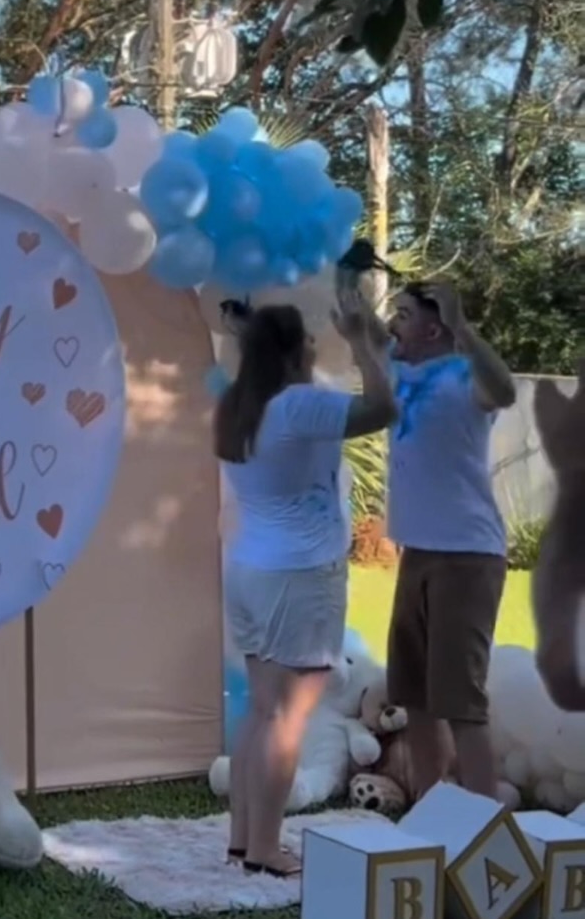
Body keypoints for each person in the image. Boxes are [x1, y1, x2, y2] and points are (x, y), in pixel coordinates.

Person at [217, 295, 396, 879]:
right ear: (295, 352)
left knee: (261, 712)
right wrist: (364, 342)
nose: (319, 345)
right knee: (286, 718)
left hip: (249, 570)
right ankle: (267, 847)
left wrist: (249, 333)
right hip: (300, 577)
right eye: (311, 339)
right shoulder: (300, 406)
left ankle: (244, 841)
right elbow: (383, 407)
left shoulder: (239, 406)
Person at [381, 281, 517, 799]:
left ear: (433, 329)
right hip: (415, 553)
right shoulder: (398, 375)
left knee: (461, 702)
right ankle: (428, 810)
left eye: (404, 314)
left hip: (467, 557)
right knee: (415, 697)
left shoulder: (465, 377)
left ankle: (483, 827)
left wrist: (463, 326)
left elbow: (505, 391)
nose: (393, 322)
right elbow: (360, 332)